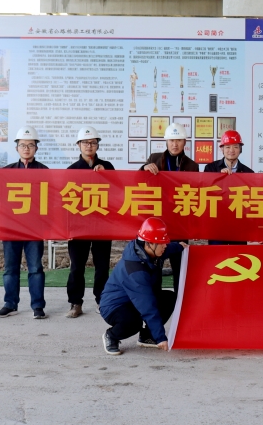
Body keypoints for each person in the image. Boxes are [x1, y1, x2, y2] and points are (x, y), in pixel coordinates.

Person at [99, 218, 185, 355]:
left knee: (169, 298)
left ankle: (147, 336)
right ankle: (111, 336)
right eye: (162, 243)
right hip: (115, 305)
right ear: (149, 244)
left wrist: (181, 246)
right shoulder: (135, 270)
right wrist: (161, 337)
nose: (165, 246)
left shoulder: (153, 250)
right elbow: (147, 306)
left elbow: (169, 249)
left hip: (135, 300)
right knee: (133, 322)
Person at [0, 126, 49, 320]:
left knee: (35, 268)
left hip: (34, 229)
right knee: (10, 268)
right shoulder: (6, 172)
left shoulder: (44, 172)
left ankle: (38, 306)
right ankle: (10, 304)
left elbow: (50, 200)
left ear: (36, 148)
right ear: (16, 148)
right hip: (11, 228)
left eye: (30, 145)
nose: (26, 149)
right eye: (23, 145)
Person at [65, 126, 116, 319]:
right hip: (79, 227)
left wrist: (106, 175)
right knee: (77, 266)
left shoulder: (107, 166)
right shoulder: (71, 170)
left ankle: (102, 300)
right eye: (85, 142)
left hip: (102, 224)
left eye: (93, 142)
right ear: (78, 145)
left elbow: (118, 191)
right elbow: (65, 201)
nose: (89, 146)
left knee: (102, 266)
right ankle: (75, 302)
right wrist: (67, 229)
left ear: (97, 145)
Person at [141, 123, 199, 295]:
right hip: (158, 223)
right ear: (166, 141)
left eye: (179, 140)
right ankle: (154, 300)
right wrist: (144, 168)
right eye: (172, 140)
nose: (175, 144)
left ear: (184, 142)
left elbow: (196, 194)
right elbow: (138, 180)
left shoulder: (192, 166)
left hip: (180, 223)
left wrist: (193, 225)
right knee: (154, 265)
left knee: (180, 266)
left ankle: (179, 301)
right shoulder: (154, 158)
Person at [204, 130, 253, 246]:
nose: (231, 150)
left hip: (239, 226)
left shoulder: (249, 173)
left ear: (240, 149)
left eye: (235, 147)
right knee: (217, 255)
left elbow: (251, 202)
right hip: (216, 224)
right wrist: (218, 177)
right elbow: (204, 193)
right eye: (227, 147)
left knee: (239, 255)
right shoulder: (210, 168)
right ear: (222, 149)